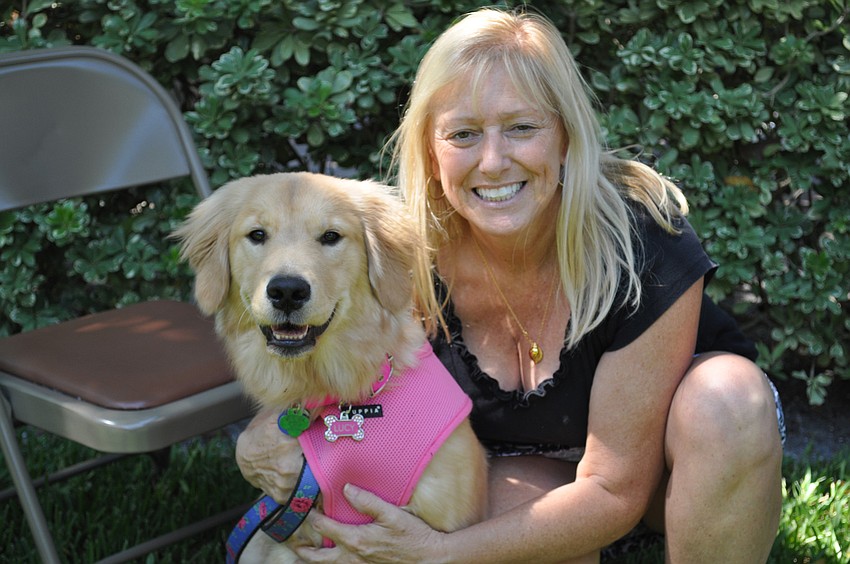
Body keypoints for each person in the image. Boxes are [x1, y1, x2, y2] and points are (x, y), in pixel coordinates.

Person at [234, 7, 786, 563]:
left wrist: (439, 554)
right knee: (514, 527)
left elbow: (615, 488)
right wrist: (271, 426)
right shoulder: (401, 250)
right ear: (431, 150)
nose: (494, 162)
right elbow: (341, 365)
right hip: (517, 468)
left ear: (565, 136)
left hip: (666, 470)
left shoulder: (642, 242)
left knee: (728, 400)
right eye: (463, 134)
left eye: (522, 128)